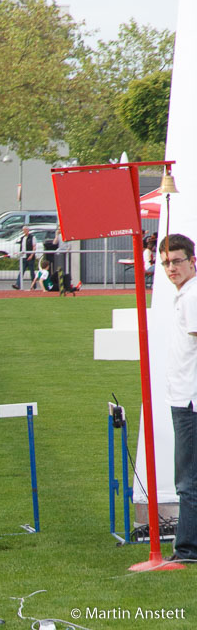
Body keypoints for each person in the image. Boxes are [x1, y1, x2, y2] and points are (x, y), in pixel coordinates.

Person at [158, 233, 197, 564]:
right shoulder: (185, 295)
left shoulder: (192, 297)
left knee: (188, 480)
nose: (171, 267)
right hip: (183, 397)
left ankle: (187, 550)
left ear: (192, 261)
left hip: (190, 402)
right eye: (166, 262)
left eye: (177, 260)